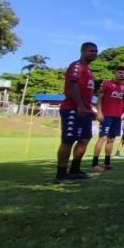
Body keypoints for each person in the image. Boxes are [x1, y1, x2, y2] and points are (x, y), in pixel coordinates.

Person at [54, 42, 98, 184]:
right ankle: (61, 175)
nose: (94, 53)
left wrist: (89, 108)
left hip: (85, 110)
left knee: (85, 139)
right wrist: (79, 106)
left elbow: (86, 92)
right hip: (72, 109)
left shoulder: (89, 71)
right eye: (91, 51)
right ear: (83, 50)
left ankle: (75, 170)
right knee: (68, 140)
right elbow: (73, 86)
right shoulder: (76, 66)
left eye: (96, 51)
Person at [91, 66, 124, 172]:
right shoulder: (106, 84)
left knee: (111, 139)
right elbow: (99, 98)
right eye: (120, 72)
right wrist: (99, 112)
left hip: (117, 117)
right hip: (106, 115)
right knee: (102, 138)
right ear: (115, 72)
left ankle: (107, 163)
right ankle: (94, 164)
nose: (122, 74)